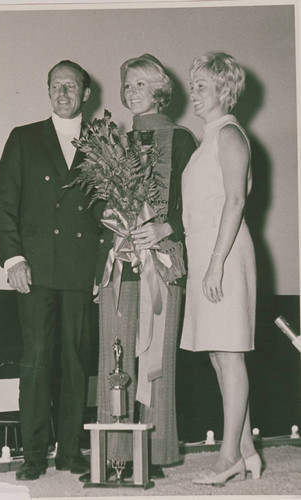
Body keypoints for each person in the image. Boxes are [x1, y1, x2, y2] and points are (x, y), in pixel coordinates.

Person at [83, 54, 197, 481]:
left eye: (140, 85)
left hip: (161, 263)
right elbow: (96, 206)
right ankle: (114, 456)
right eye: (127, 85)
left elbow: (199, 207)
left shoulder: (182, 140)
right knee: (114, 359)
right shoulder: (112, 143)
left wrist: (165, 226)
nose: (131, 92)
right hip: (118, 265)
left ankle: (155, 453)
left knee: (155, 362)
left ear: (160, 91)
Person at [0, 60, 104, 481]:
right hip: (35, 270)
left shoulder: (102, 141)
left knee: (76, 363)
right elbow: (5, 203)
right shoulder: (22, 138)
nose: (63, 92)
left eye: (71, 86)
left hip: (79, 272)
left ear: (85, 94)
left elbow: (106, 212)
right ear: (48, 92)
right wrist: (14, 259)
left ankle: (71, 451)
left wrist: (102, 267)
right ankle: (35, 453)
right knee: (37, 362)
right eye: (56, 85)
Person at [181, 52, 261, 485]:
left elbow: (235, 201)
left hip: (224, 254)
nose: (194, 93)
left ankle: (228, 455)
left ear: (223, 92)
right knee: (219, 356)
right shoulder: (208, 138)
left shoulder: (229, 134)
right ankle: (247, 449)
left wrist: (215, 262)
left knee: (229, 355)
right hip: (209, 254)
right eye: (194, 86)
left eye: (202, 87)